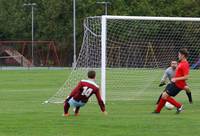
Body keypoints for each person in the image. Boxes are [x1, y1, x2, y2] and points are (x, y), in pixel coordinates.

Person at [153, 48, 190, 114]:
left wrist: (176, 79)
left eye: (179, 54)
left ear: (183, 55)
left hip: (179, 84)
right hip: (175, 83)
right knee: (164, 95)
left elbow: (186, 77)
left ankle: (179, 106)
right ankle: (157, 111)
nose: (178, 56)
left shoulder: (185, 64)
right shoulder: (181, 63)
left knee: (165, 96)